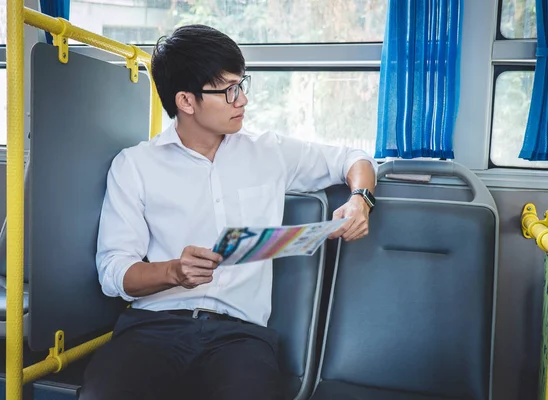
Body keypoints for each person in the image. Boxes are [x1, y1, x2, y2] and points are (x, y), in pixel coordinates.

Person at [78, 24, 377, 400]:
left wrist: (359, 199)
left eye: (242, 84)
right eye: (229, 91)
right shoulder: (135, 165)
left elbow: (354, 158)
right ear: (186, 101)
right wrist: (173, 271)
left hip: (240, 336)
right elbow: (113, 272)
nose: (243, 101)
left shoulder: (269, 151)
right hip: (152, 329)